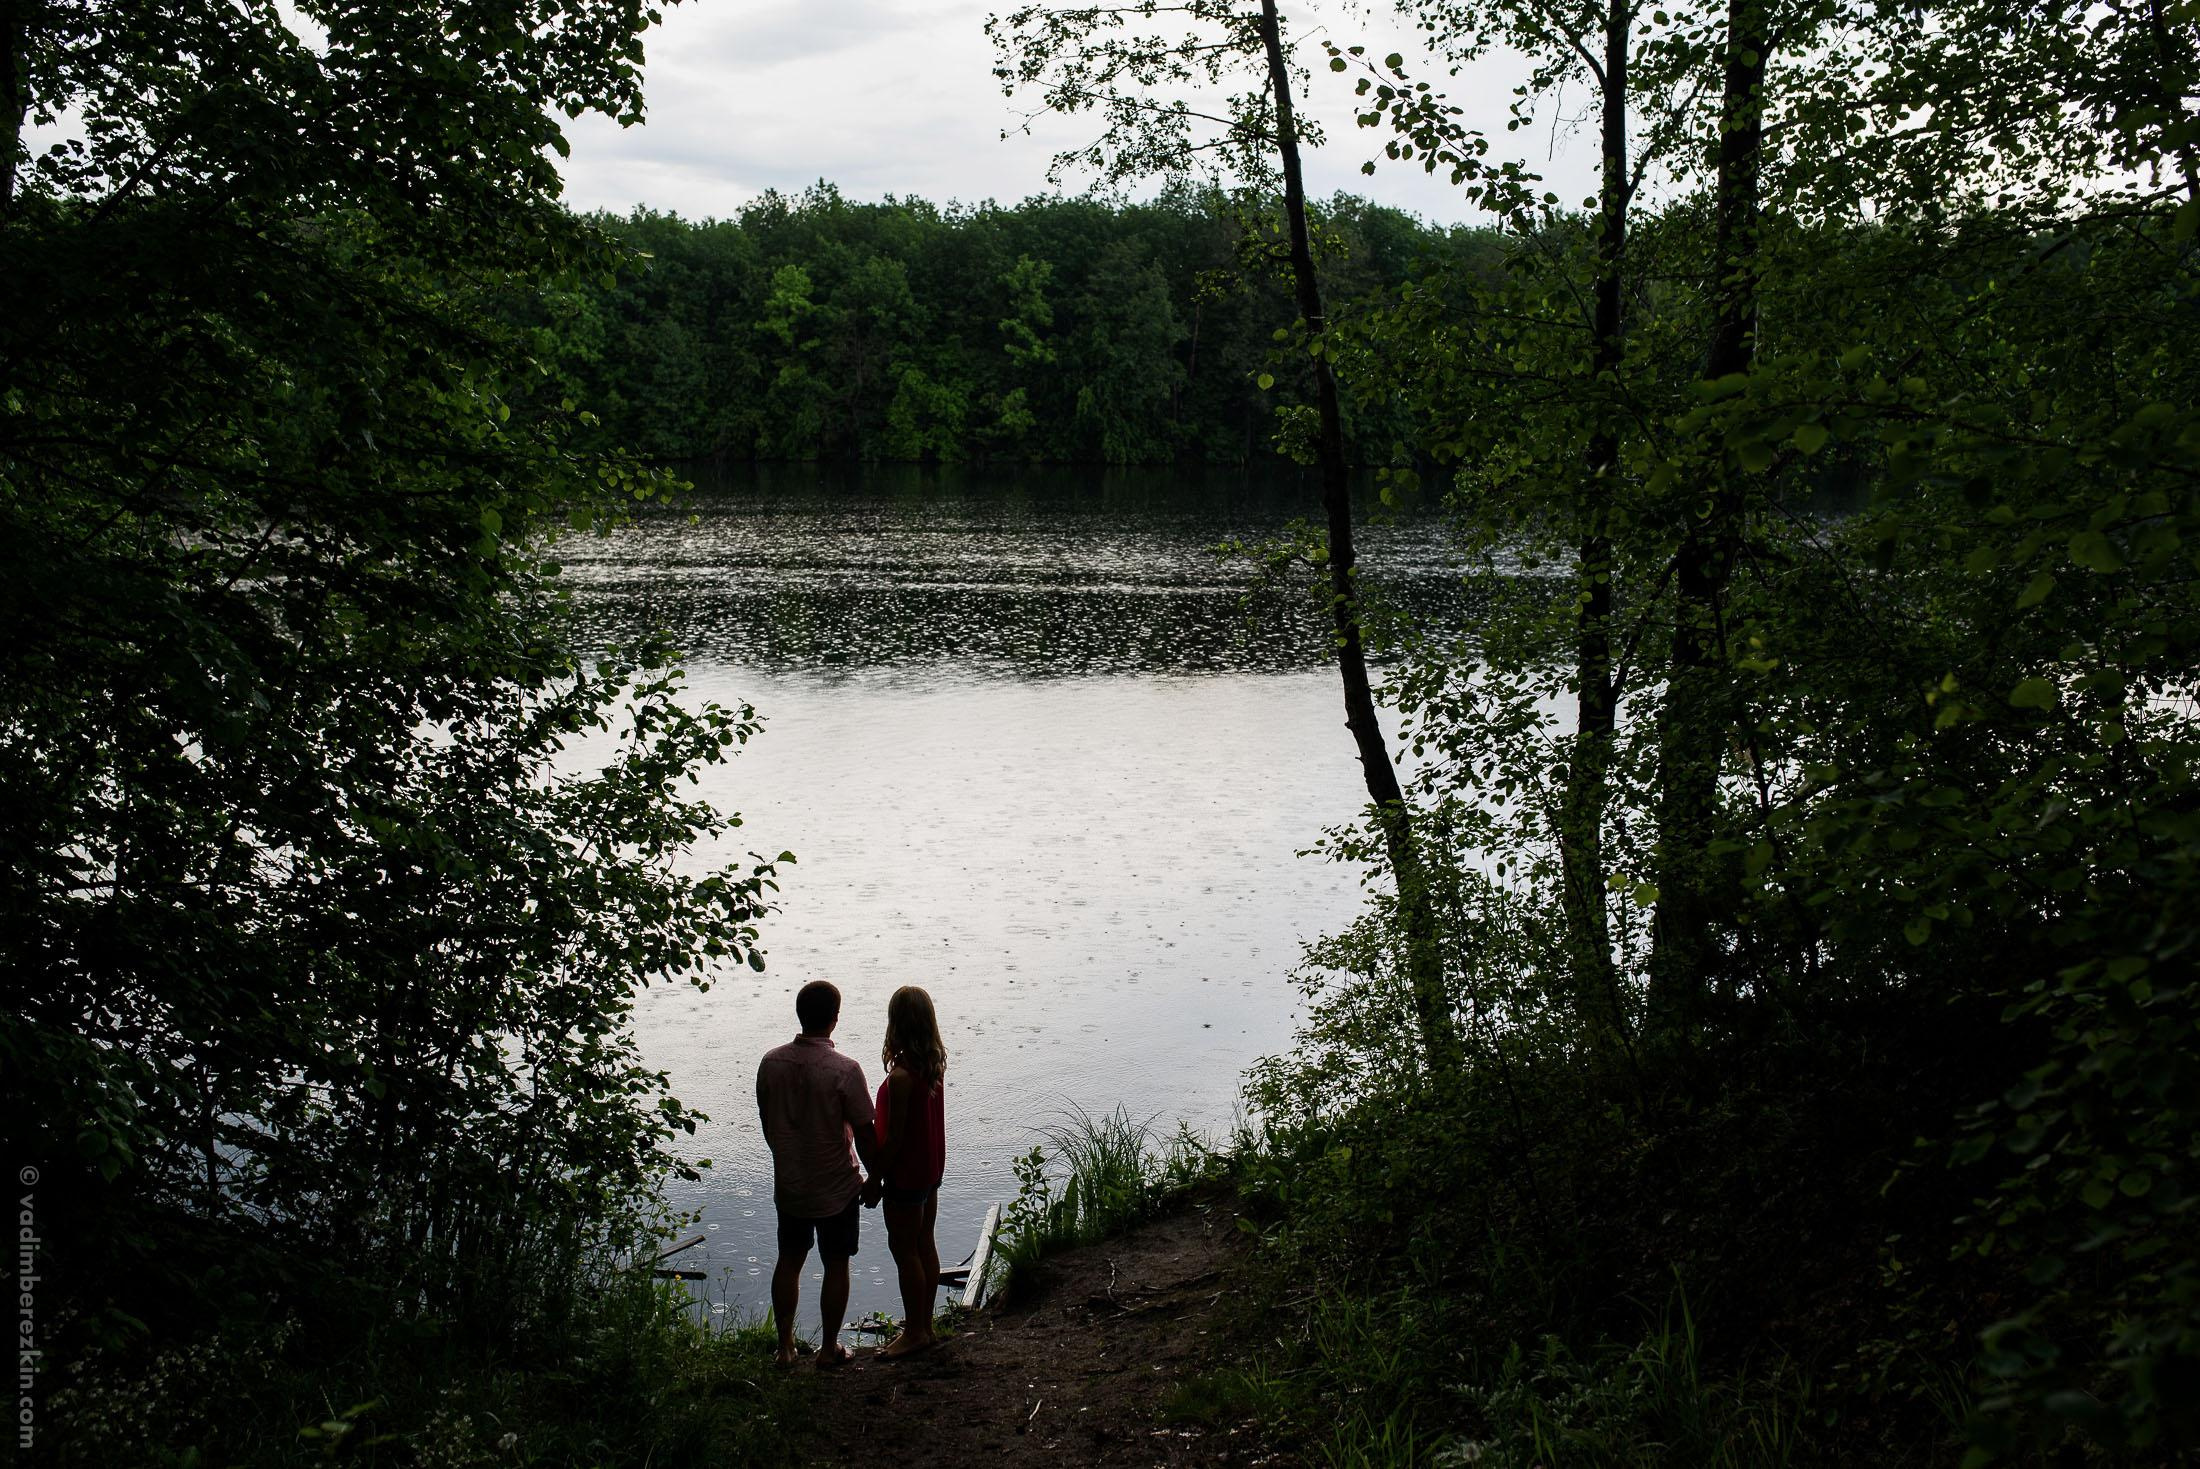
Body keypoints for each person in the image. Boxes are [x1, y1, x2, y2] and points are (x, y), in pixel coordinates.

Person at [755, 980, 884, 1367]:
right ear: (835, 1018)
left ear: (800, 1015)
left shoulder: (770, 1063)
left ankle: (785, 1348)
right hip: (837, 1188)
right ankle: (829, 1349)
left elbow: (768, 1123)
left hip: (791, 1185)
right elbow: (865, 1134)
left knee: (789, 1260)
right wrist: (876, 1179)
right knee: (836, 1263)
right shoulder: (845, 1070)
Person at [873, 984, 948, 1358]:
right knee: (924, 1244)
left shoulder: (902, 1077)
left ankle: (915, 1331)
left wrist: (874, 1179)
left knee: (905, 1251)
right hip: (929, 1171)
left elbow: (894, 1140)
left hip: (906, 1176)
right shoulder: (932, 1068)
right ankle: (926, 1326)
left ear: (896, 1024)